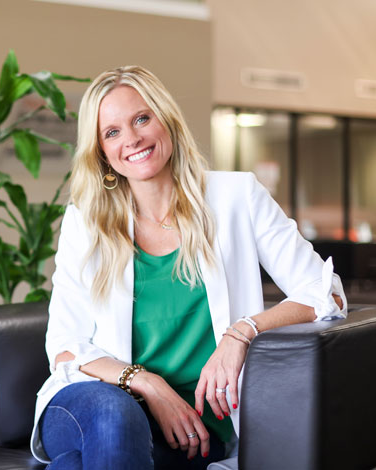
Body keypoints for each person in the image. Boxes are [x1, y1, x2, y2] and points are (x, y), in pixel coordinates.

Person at [29, 66, 347, 469]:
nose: (132, 139)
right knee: (115, 416)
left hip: (193, 428)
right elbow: (63, 345)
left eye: (142, 118)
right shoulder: (86, 220)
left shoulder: (236, 197)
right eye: (112, 132)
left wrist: (242, 332)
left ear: (166, 119)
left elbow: (328, 293)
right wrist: (147, 383)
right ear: (102, 153)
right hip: (90, 401)